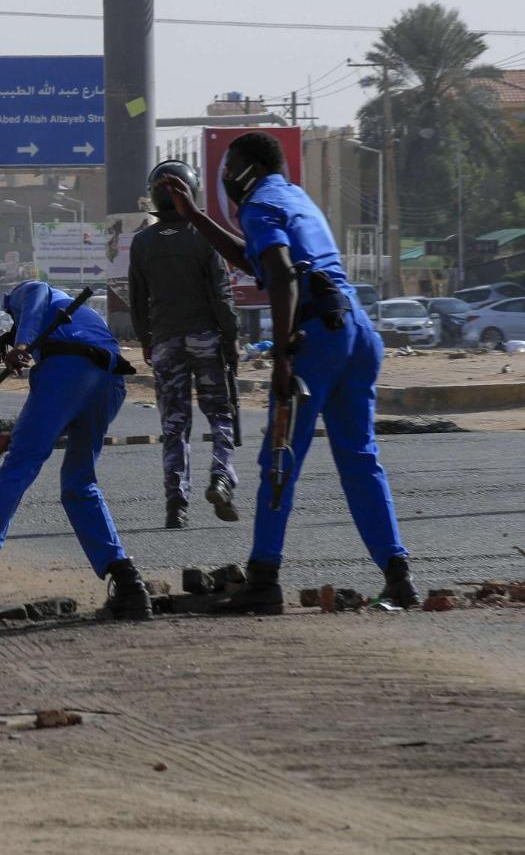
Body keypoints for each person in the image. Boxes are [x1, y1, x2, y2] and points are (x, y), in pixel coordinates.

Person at [160, 131, 418, 612]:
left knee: (279, 460)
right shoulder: (295, 198)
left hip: (315, 340)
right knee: (360, 460)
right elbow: (255, 258)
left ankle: (263, 580)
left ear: (250, 170)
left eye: (230, 167)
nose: (225, 176)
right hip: (358, 334)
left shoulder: (257, 205)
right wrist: (196, 217)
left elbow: (279, 272)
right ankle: (398, 575)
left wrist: (281, 354)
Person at [0, 280, 153, 622]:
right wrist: (9, 436)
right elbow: (59, 415)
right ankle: (130, 585)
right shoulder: (78, 319)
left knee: (16, 472)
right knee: (79, 484)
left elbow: (36, 297)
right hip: (109, 382)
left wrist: (22, 342)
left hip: (67, 372)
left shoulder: (32, 292)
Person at [129, 160, 241, 529]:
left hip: (164, 342)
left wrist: (146, 341)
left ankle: (176, 504)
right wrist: (232, 337)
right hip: (206, 339)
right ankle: (221, 480)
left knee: (175, 425)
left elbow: (137, 298)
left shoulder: (142, 242)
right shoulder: (204, 237)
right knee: (221, 416)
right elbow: (222, 295)